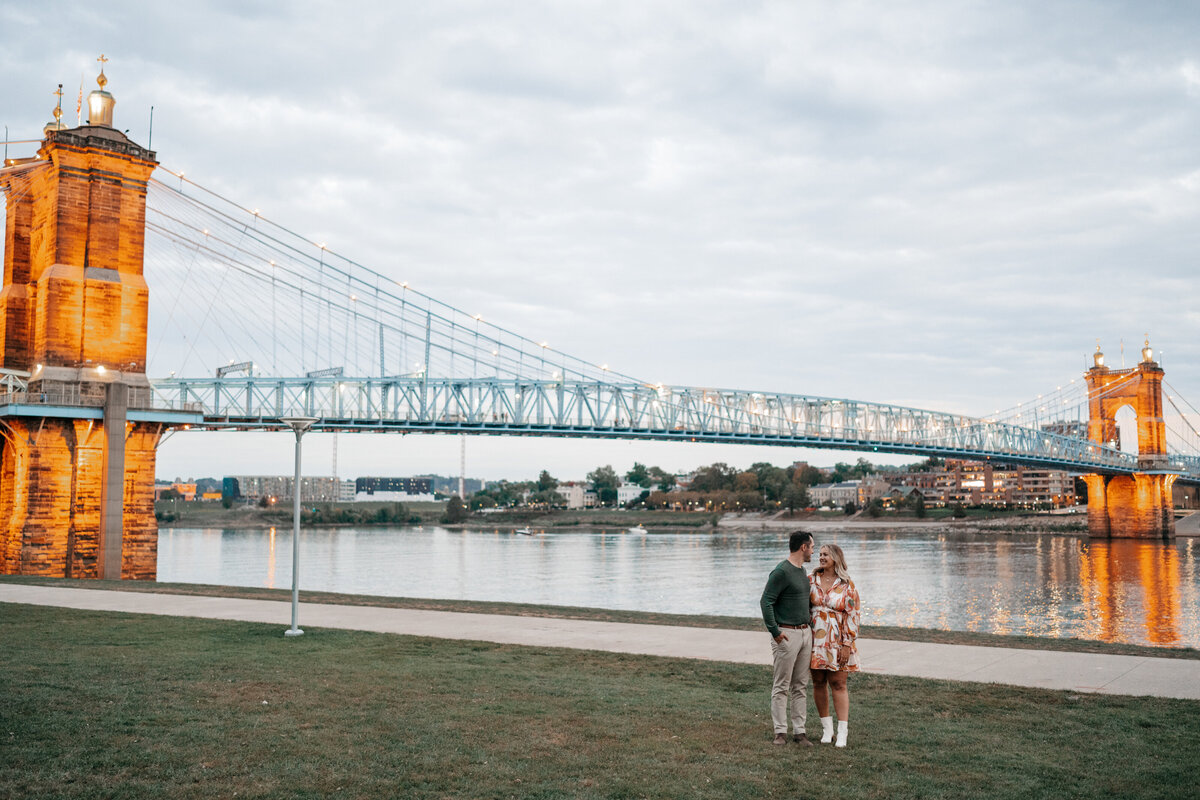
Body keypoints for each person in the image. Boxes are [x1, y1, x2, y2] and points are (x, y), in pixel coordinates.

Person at [759, 530, 815, 746]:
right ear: (803, 547)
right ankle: (780, 732)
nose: (812, 551)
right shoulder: (781, 572)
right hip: (786, 635)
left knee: (800, 685)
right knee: (782, 684)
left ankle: (800, 732)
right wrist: (775, 631)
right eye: (811, 547)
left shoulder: (802, 571)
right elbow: (766, 602)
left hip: (805, 634)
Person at [809, 543, 861, 748]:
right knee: (818, 683)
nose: (821, 557)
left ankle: (842, 733)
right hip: (815, 640)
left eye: (825, 555)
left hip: (839, 640)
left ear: (836, 558)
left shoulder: (847, 584)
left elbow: (853, 615)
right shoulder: (811, 580)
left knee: (839, 684)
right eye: (820, 554)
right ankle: (826, 729)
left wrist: (847, 643)